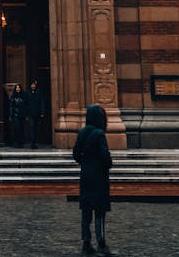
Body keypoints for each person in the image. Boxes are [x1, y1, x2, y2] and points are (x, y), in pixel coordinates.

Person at [72, 104, 113, 256]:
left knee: (86, 210)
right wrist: (108, 163)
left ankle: (86, 242)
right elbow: (104, 155)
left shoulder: (82, 132)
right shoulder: (99, 134)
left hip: (86, 175)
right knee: (100, 210)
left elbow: (75, 153)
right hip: (99, 177)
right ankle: (101, 242)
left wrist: (85, 163)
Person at [26, 79, 45, 148]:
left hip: (37, 113)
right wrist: (26, 114)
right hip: (30, 114)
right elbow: (26, 104)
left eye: (34, 84)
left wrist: (42, 112)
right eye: (32, 84)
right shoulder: (27, 92)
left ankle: (36, 142)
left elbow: (42, 102)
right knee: (31, 128)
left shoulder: (39, 92)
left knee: (36, 129)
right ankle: (32, 143)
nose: (33, 86)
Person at [8, 83, 26, 148]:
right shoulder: (13, 96)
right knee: (16, 128)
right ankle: (16, 142)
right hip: (15, 115)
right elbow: (11, 106)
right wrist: (10, 115)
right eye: (16, 88)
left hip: (22, 115)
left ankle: (21, 142)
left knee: (21, 129)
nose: (18, 89)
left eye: (19, 87)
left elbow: (25, 106)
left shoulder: (23, 96)